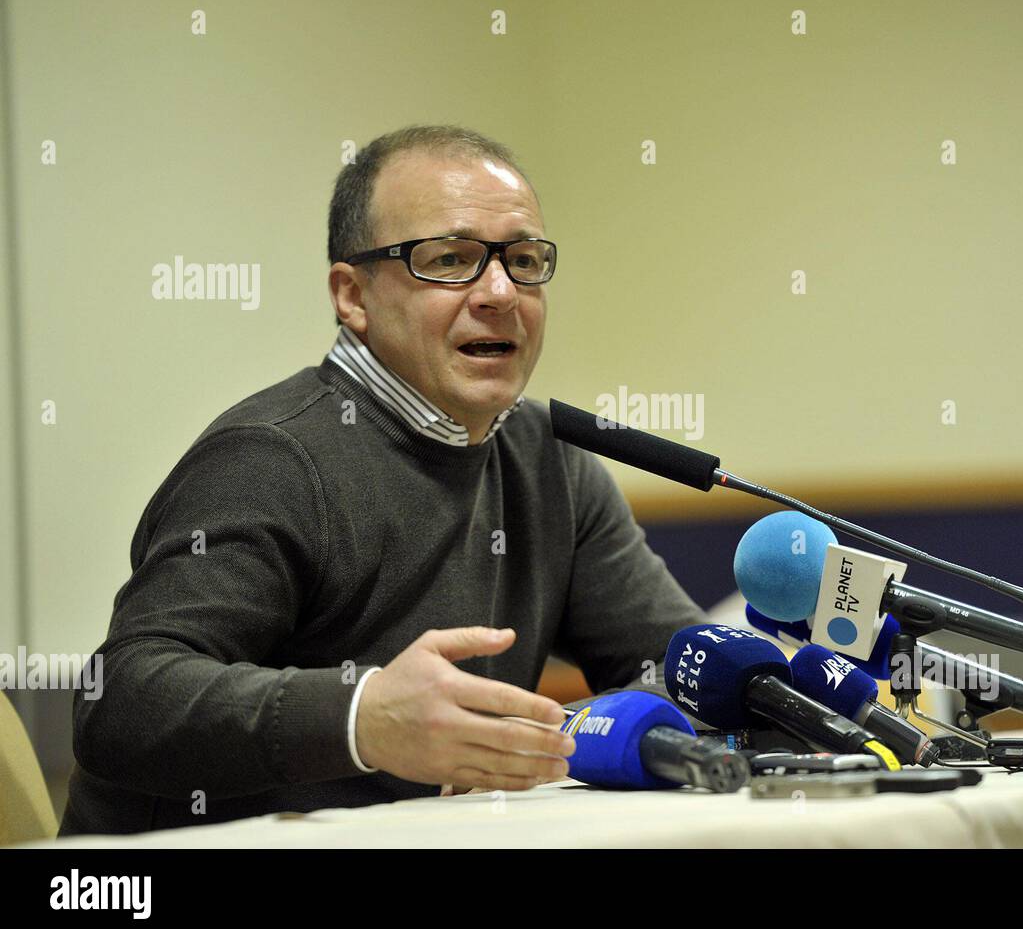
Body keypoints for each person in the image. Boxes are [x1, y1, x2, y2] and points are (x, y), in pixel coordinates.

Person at [60, 125, 705, 835]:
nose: (500, 291)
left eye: (523, 260)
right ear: (353, 295)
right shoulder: (273, 458)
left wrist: (556, 735)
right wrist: (364, 718)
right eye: (451, 259)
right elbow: (118, 700)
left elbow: (681, 666)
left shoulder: (549, 457)